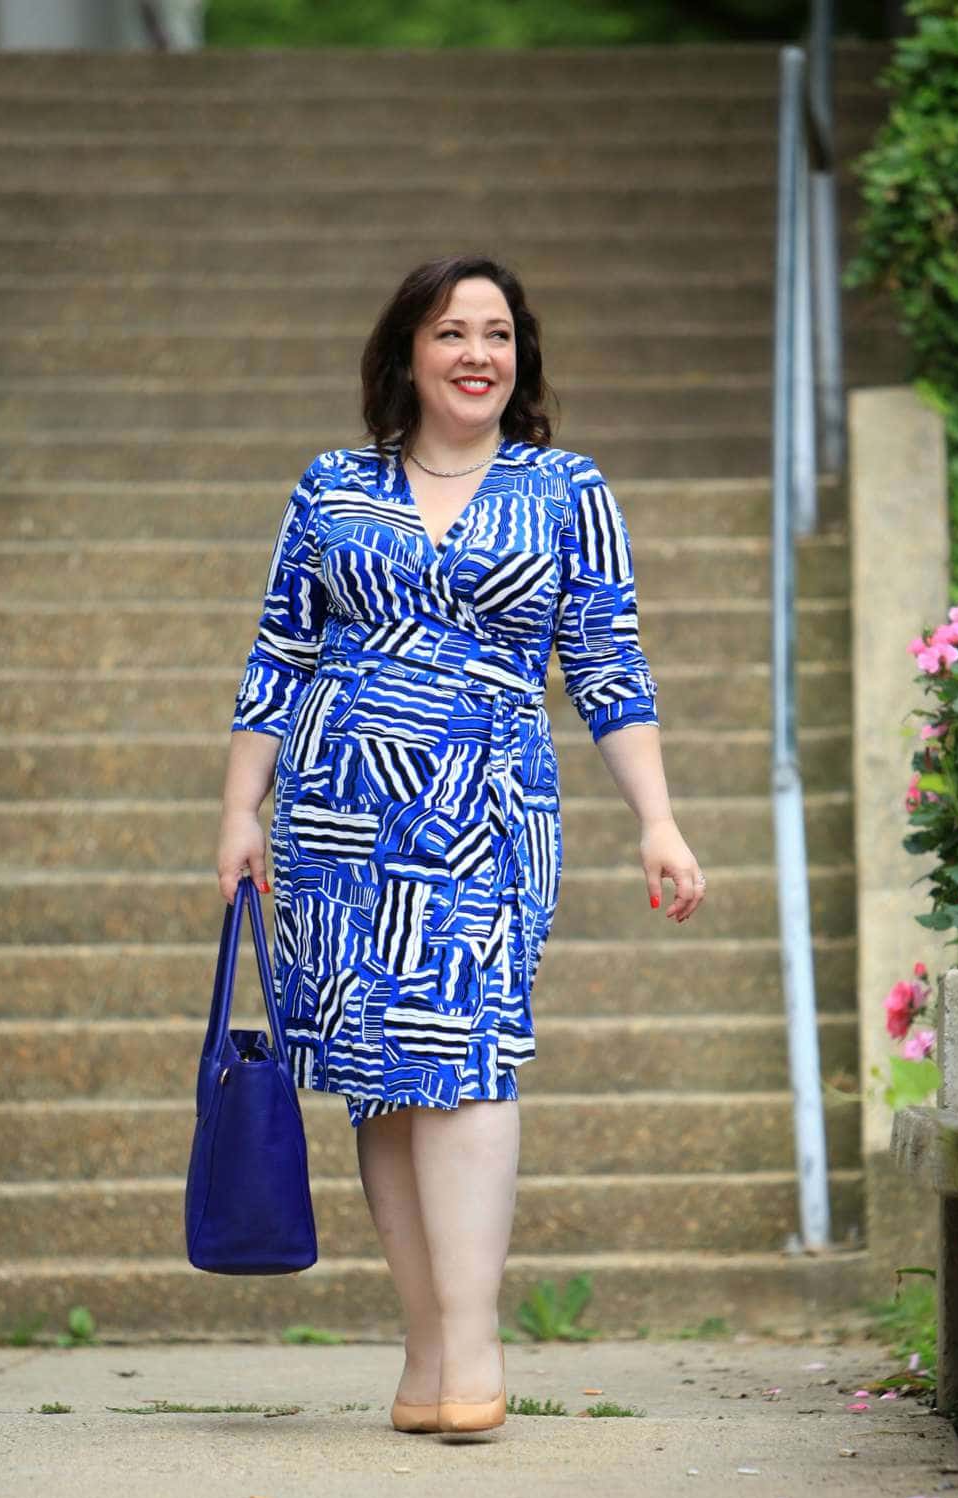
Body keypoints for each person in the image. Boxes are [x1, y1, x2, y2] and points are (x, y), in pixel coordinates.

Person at [216, 255, 706, 1436]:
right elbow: (280, 652)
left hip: (487, 809)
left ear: (520, 358)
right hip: (338, 813)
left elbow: (606, 663)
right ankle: (427, 1350)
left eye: (498, 333)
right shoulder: (333, 488)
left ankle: (477, 1350)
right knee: (378, 1080)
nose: (479, 353)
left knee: (469, 1050)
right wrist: (239, 810)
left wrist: (658, 816)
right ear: (409, 354)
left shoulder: (564, 488)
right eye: (452, 333)